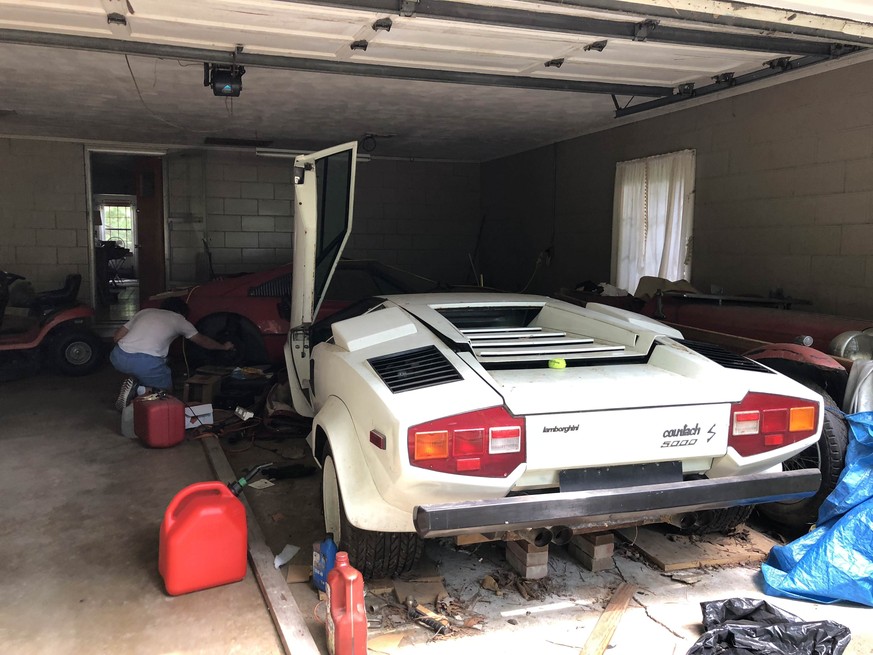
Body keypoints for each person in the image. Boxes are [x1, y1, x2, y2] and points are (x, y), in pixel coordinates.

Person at [110, 297, 233, 409]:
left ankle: (136, 382)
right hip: (145, 363)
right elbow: (203, 341)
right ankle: (139, 391)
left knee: (162, 361)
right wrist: (223, 347)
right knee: (165, 393)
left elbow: (117, 337)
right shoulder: (179, 320)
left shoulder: (145, 312)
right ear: (182, 313)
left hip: (118, 356)